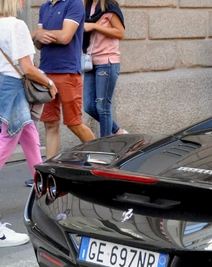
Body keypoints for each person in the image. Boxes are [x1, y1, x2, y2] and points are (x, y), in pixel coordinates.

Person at [1, 0, 57, 246]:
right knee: (6, 144)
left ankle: (47, 196)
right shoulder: (16, 25)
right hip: (13, 88)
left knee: (30, 138)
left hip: (4, 86)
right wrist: (48, 83)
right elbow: (27, 67)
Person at [32, 0, 96, 160]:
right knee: (50, 124)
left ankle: (99, 157)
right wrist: (38, 35)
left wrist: (40, 33)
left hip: (68, 73)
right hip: (45, 73)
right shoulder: (45, 7)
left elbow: (65, 36)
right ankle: (49, 169)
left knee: (74, 123)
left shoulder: (74, 3)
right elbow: (38, 43)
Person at [83, 0, 125, 137]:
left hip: (107, 61)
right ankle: (118, 131)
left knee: (103, 107)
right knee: (89, 106)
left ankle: (105, 146)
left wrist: (95, 26)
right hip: (90, 62)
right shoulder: (87, 6)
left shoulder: (109, 5)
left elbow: (120, 32)